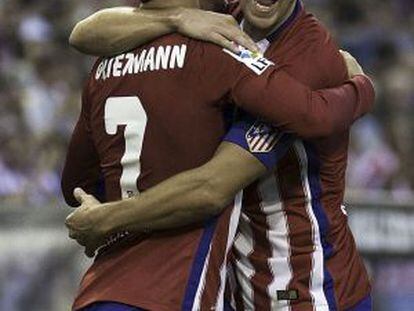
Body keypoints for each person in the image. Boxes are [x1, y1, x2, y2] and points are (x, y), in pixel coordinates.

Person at [64, 0, 374, 310]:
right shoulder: (225, 17)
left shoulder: (308, 55)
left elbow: (212, 187)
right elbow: (84, 34)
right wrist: (177, 17)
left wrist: (362, 89)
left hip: (304, 286)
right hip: (236, 287)